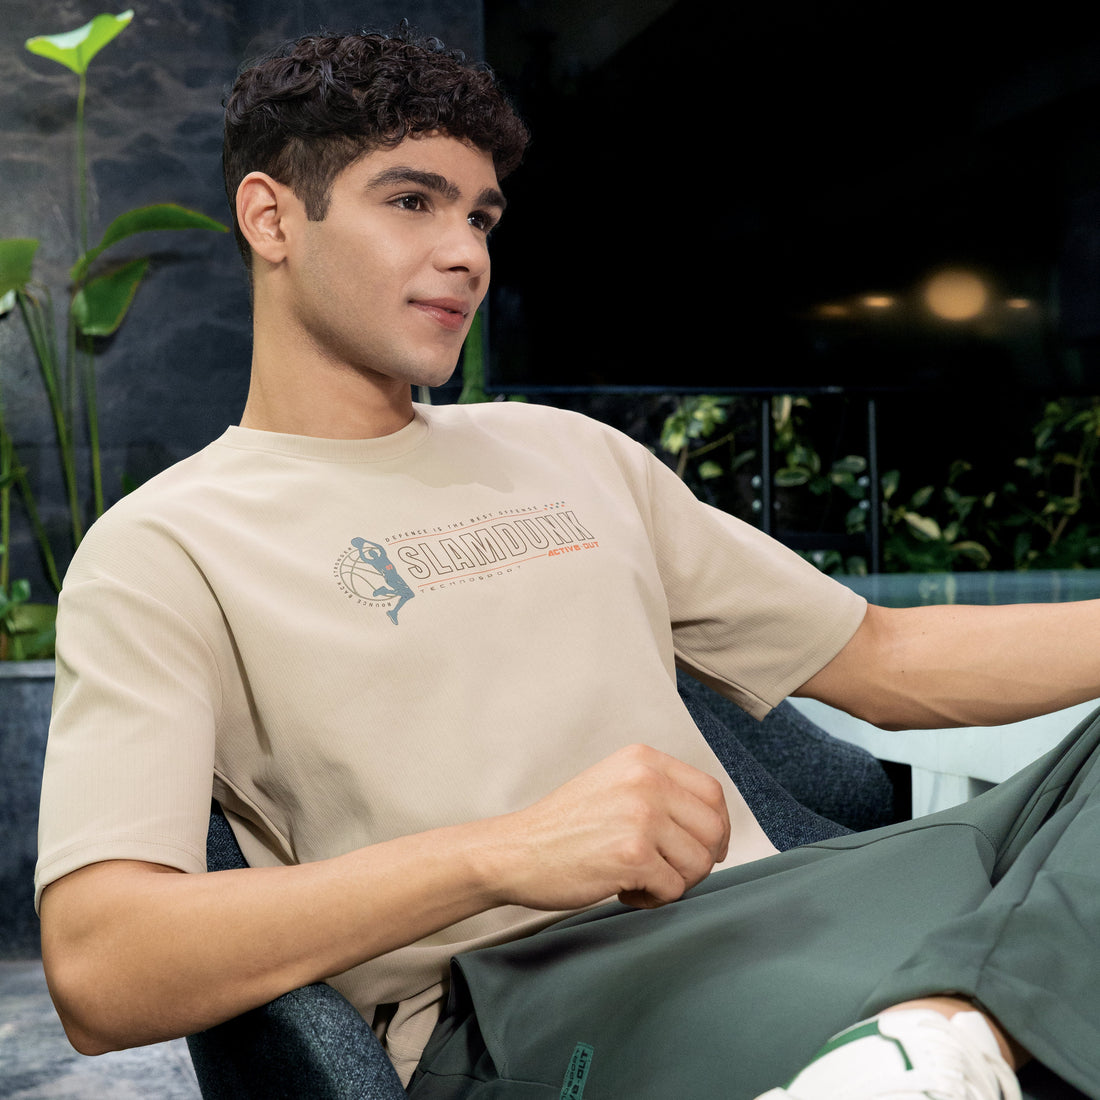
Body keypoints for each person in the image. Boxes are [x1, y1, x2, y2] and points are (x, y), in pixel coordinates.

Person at [33, 26, 1100, 1100]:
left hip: (799, 901)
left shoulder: (569, 451)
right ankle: (957, 1020)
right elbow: (100, 965)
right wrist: (503, 852)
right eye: (412, 201)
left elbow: (882, 655)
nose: (466, 252)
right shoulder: (163, 549)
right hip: (539, 991)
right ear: (271, 217)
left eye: (479, 216)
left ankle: (939, 1028)